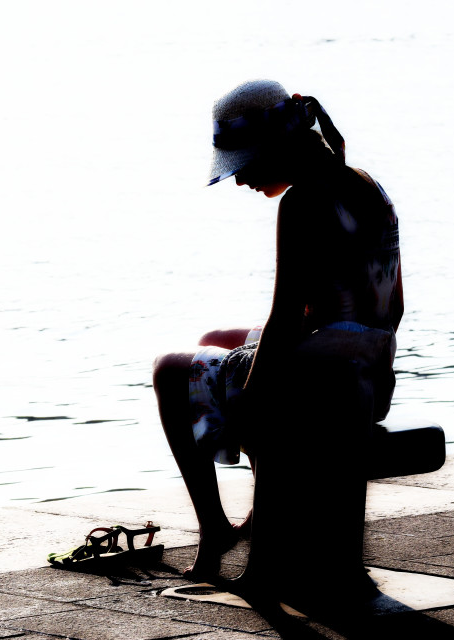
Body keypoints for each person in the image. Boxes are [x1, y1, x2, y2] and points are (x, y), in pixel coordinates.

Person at [153, 79, 403, 630]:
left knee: (172, 368)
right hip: (366, 364)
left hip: (321, 377)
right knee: (217, 335)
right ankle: (266, 532)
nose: (238, 177)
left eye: (243, 162)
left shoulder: (302, 199)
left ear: (276, 147)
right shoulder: (367, 185)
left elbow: (287, 315)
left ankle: (219, 529)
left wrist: (252, 404)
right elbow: (393, 304)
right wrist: (376, 372)